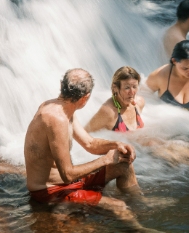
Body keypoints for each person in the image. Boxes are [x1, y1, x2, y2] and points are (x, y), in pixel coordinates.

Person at [25, 68, 140, 207]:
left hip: (70, 182)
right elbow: (67, 175)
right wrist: (106, 160)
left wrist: (116, 144)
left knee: (124, 165)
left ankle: (140, 203)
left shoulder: (63, 108)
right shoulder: (56, 119)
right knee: (119, 206)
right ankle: (142, 228)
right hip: (51, 190)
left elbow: (90, 143)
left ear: (62, 86)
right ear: (85, 97)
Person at [85, 66, 146, 134]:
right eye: (127, 88)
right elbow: (85, 134)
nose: (132, 92)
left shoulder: (139, 102)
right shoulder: (108, 112)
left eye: (134, 87)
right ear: (115, 88)